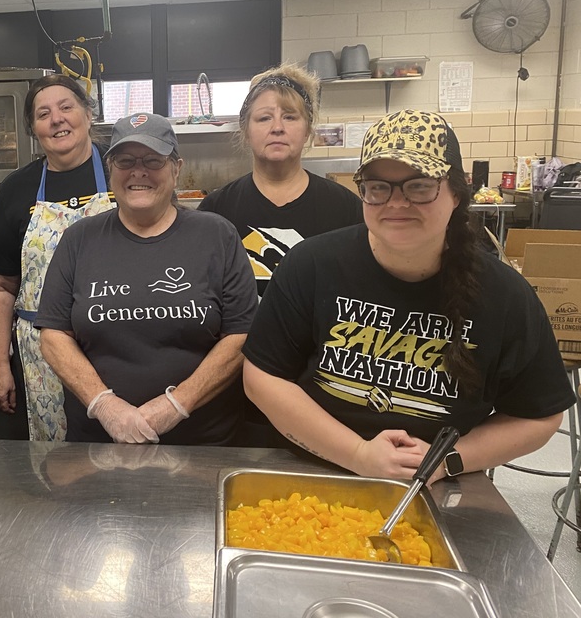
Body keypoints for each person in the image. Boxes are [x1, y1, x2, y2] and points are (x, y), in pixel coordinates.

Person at [242, 109, 575, 482]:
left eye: (419, 185)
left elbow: (540, 414)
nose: (396, 203)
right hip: (314, 477)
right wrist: (358, 454)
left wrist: (447, 459)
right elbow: (262, 377)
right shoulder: (312, 265)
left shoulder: (505, 295)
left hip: (437, 487)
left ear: (455, 194)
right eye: (378, 187)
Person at [35, 113, 259, 445]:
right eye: (126, 161)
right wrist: (105, 405)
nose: (139, 172)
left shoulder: (216, 235)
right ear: (111, 169)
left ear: (176, 168)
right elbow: (54, 336)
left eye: (153, 160)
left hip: (202, 443)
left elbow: (241, 335)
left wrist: (176, 404)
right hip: (98, 443)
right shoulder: (79, 239)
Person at [199, 63, 362, 446]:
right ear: (246, 129)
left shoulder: (346, 210)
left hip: (319, 386)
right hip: (233, 387)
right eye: (264, 117)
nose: (277, 127)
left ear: (308, 129)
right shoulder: (215, 211)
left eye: (290, 116)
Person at [0, 74, 116, 441]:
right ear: (34, 129)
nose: (56, 119)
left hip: (116, 340)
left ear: (89, 114)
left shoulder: (121, 170)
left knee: (121, 443)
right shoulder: (16, 188)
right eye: (43, 114)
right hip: (41, 350)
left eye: (66, 107)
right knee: (56, 459)